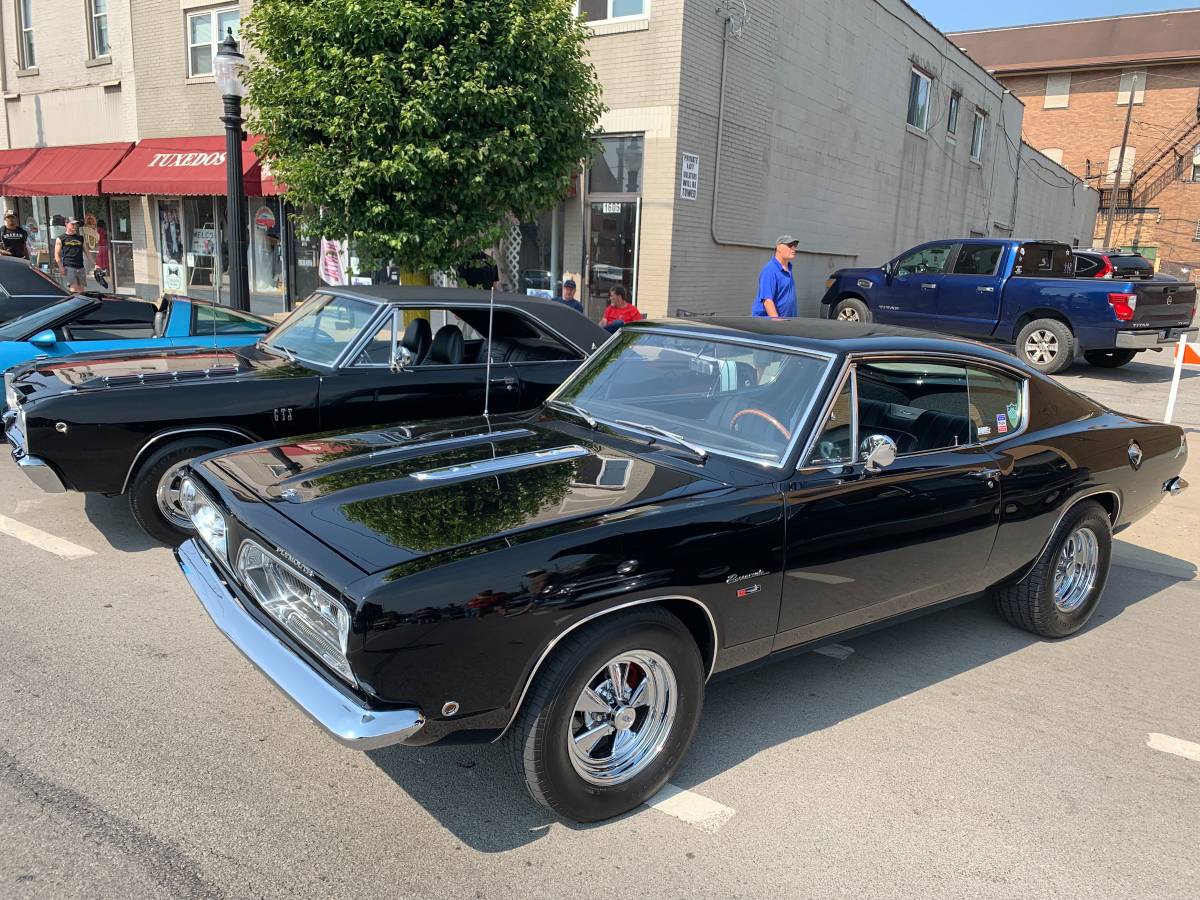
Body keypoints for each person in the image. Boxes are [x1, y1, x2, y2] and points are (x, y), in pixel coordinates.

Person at [753, 234, 799, 318]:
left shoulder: (788, 268)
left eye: (795, 246)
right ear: (779, 248)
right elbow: (767, 301)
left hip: (786, 323)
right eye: (790, 245)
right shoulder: (770, 270)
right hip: (769, 325)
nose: (793, 248)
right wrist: (777, 322)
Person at [56, 218, 92, 293]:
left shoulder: (80, 238)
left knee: (81, 290)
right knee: (74, 289)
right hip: (69, 266)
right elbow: (57, 254)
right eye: (72, 224)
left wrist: (94, 264)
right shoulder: (61, 238)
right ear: (66, 224)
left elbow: (87, 252)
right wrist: (60, 267)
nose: (74, 226)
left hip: (80, 266)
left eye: (75, 224)